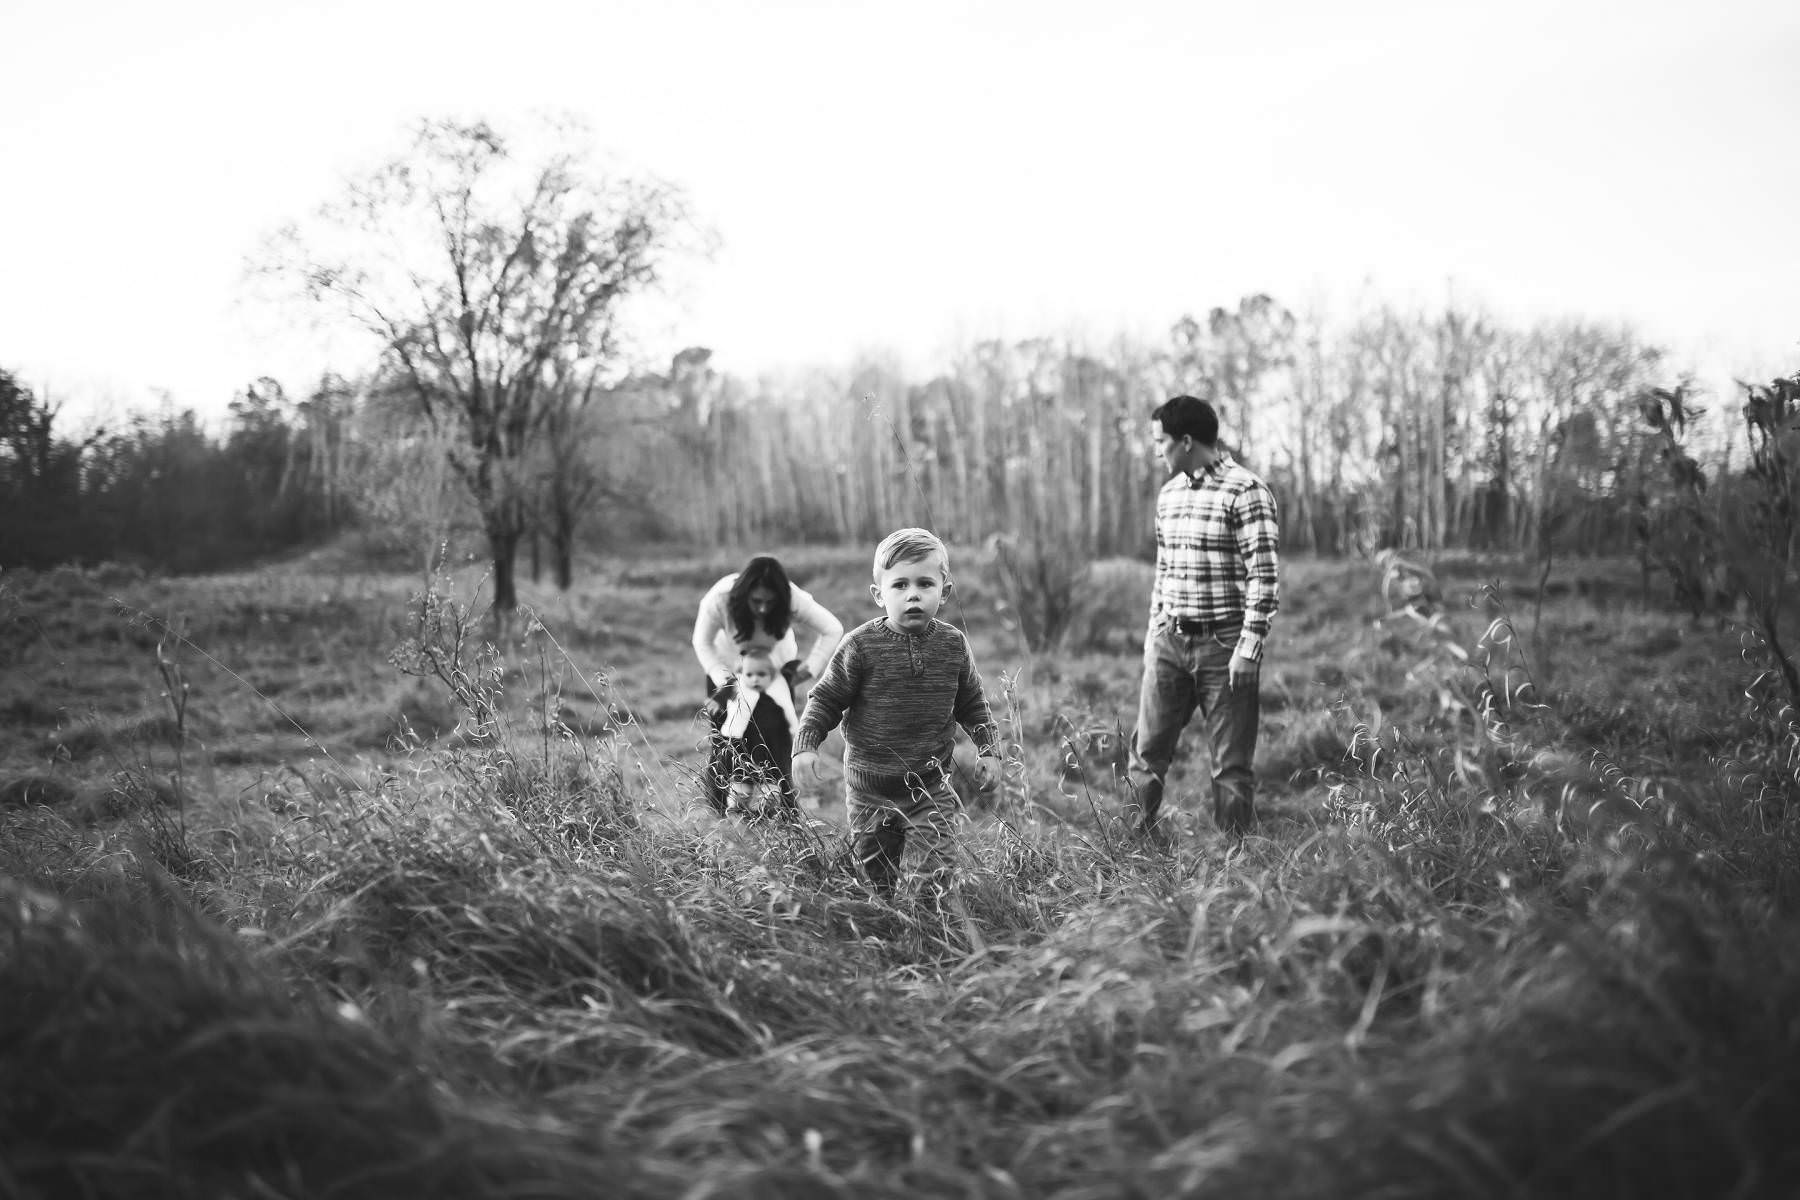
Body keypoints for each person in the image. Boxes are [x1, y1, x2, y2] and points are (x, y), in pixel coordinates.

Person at [793, 528, 1002, 904]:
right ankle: (882, 928)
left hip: (930, 786)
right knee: (875, 881)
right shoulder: (860, 646)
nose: (913, 594)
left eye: (925, 583)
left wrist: (989, 749)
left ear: (945, 591)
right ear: (879, 595)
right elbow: (825, 698)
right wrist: (806, 744)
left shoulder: (953, 644)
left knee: (934, 877)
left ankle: (931, 937)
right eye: (900, 585)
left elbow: (973, 703)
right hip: (869, 790)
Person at [1126, 394, 1281, 844]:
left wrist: (1248, 650)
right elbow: (1164, 570)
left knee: (1231, 767)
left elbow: (1265, 578)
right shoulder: (1169, 494)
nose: (1157, 450)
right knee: (1146, 753)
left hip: (1225, 645)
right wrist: (1154, 633)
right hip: (1170, 643)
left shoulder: (1246, 491)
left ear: (1187, 441)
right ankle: (1131, 850)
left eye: (1161, 441)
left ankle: (1234, 866)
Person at [692, 552, 843, 741]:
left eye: (770, 602)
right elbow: (702, 642)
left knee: (774, 737)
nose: (763, 608)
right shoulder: (720, 598)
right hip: (727, 669)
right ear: (744, 594)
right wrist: (723, 679)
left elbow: (832, 628)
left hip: (773, 671)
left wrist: (811, 667)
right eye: (756, 601)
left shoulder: (792, 598)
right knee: (727, 738)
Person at [702, 647, 800, 817]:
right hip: (746, 744)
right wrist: (717, 701)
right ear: (742, 673)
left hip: (774, 744)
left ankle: (781, 814)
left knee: (777, 779)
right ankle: (740, 813)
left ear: (772, 674)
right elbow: (724, 693)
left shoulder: (779, 688)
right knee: (742, 780)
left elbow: (789, 711)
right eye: (750, 675)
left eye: (761, 674)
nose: (755, 679)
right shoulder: (737, 685)